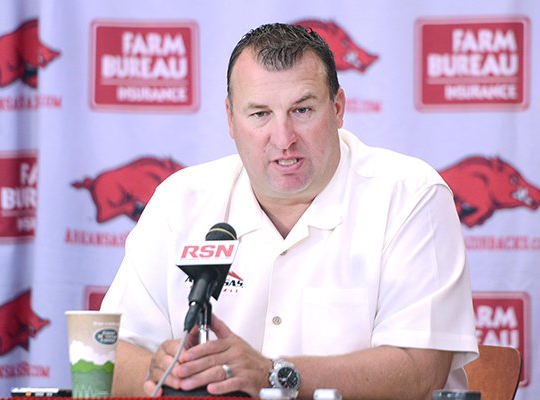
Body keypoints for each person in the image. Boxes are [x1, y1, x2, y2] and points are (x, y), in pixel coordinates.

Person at [100, 22, 478, 400]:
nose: (283, 140)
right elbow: (110, 354)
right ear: (231, 119)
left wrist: (273, 374)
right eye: (260, 114)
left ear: (338, 108)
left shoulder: (410, 195)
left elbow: (421, 371)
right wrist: (163, 371)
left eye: (302, 110)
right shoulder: (179, 200)